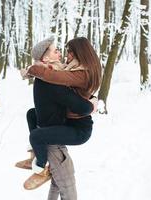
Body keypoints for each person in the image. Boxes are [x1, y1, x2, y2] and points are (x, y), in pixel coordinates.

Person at [22, 37, 102, 190]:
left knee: (36, 136)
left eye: (69, 52)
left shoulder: (82, 72)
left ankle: (41, 169)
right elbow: (59, 75)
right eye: (63, 51)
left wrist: (34, 69)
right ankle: (36, 155)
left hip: (79, 128)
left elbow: (56, 79)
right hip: (68, 119)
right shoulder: (72, 67)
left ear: (79, 53)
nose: (66, 55)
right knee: (32, 114)